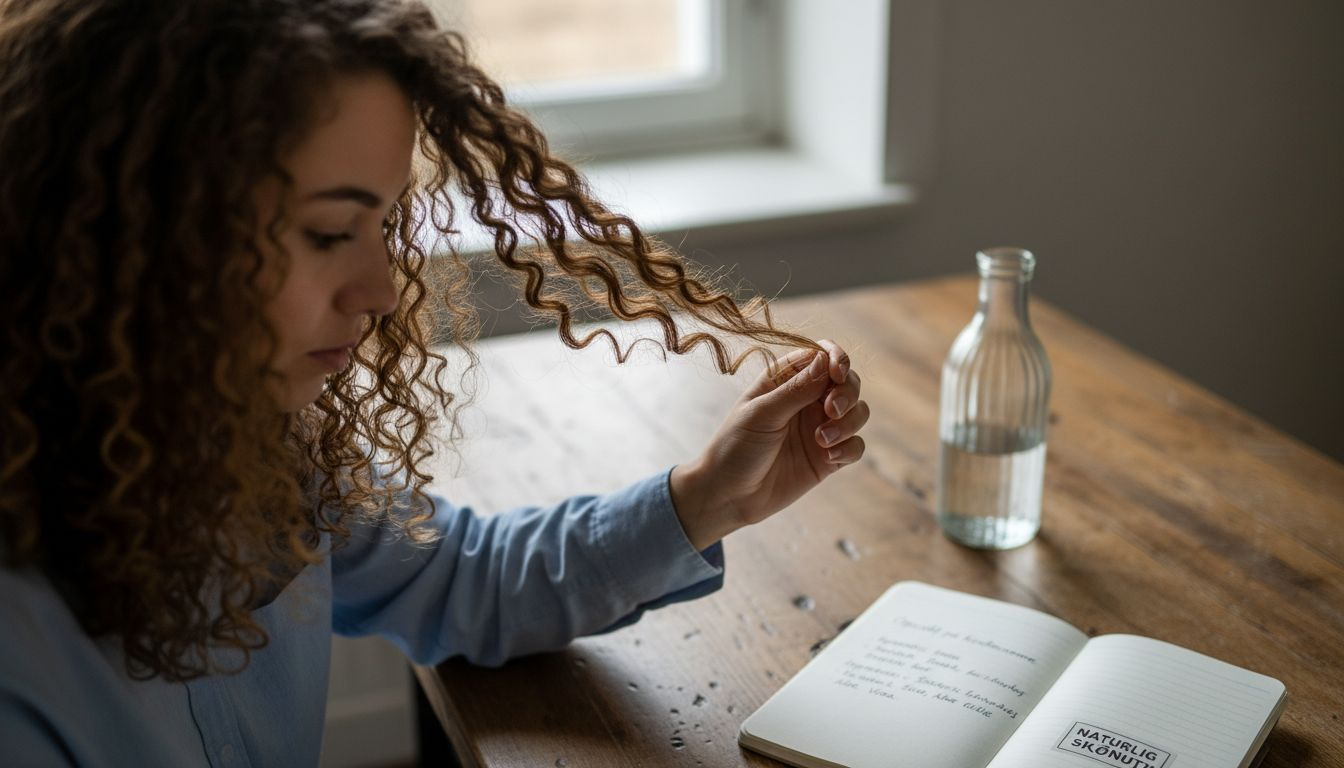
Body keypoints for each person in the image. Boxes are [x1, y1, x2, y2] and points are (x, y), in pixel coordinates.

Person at [0, 0, 870, 764]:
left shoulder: (261, 457)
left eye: (383, 223)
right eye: (330, 232)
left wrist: (708, 496)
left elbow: (459, 578)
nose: (380, 292)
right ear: (125, 237)